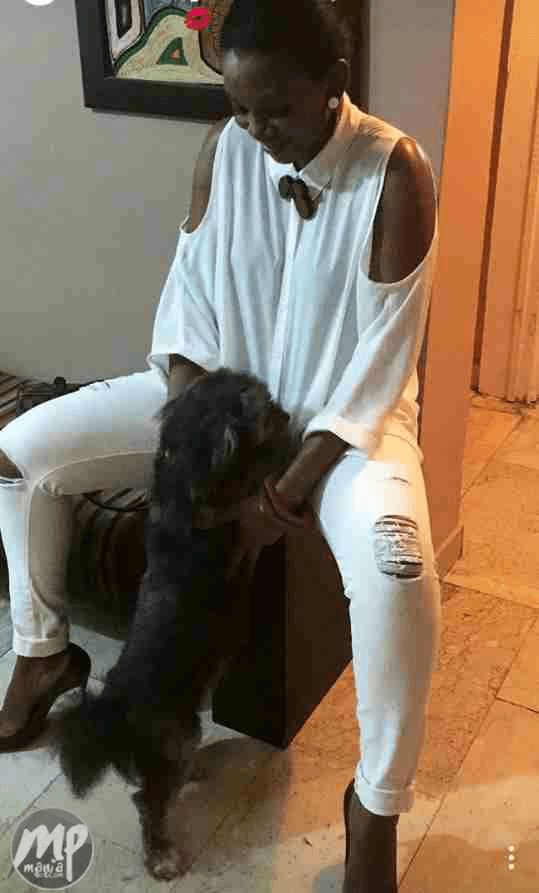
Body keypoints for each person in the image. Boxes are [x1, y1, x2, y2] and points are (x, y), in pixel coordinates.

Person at [0, 1, 441, 889]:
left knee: (399, 578)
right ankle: (44, 648)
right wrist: (196, 442)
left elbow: (383, 358)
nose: (254, 129)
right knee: (19, 452)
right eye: (238, 107)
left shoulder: (395, 171)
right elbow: (189, 304)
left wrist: (282, 492)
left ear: (332, 83)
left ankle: (375, 804)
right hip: (222, 406)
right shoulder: (225, 149)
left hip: (345, 427)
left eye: (274, 109)